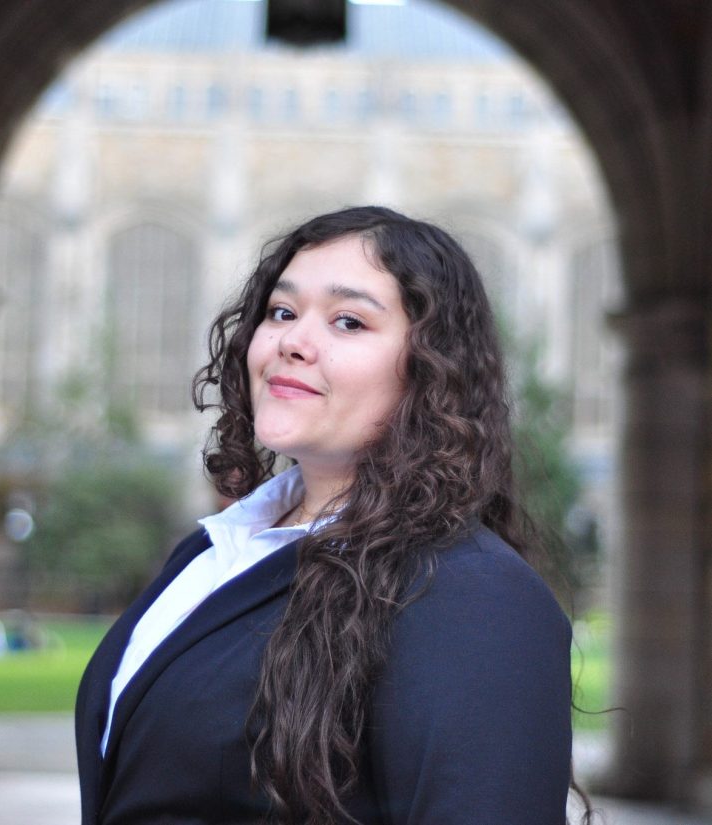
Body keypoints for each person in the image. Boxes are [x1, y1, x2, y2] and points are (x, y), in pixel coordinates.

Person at [76, 206, 581, 824]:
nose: (292, 341)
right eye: (282, 312)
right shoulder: (213, 551)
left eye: (348, 321)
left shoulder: (474, 593)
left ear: (431, 369)